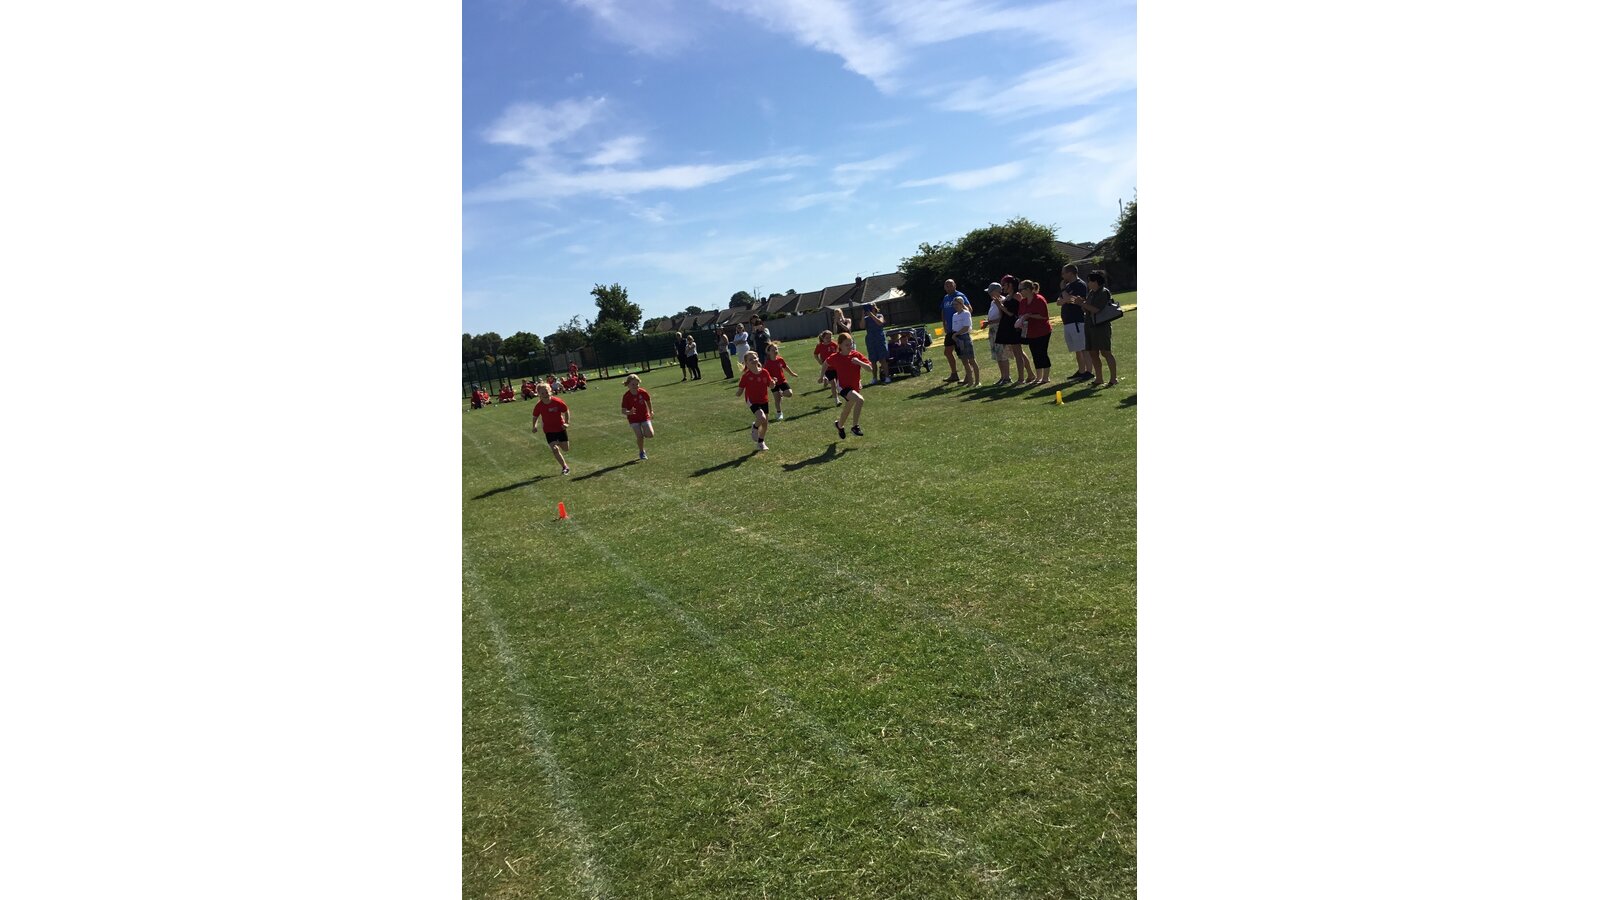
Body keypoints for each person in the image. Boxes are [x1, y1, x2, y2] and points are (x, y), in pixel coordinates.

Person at [825, 333, 874, 438]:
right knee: (860, 400)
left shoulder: (856, 355)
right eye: (846, 344)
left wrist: (859, 362)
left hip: (854, 387)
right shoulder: (836, 357)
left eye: (851, 344)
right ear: (840, 345)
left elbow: (870, 369)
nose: (849, 346)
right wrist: (821, 376)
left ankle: (839, 425)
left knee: (847, 409)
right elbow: (826, 363)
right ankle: (855, 427)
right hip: (843, 387)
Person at [1080, 270, 1120, 387]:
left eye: (1089, 281)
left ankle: (1113, 379)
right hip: (1090, 325)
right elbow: (1087, 309)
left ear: (1096, 282)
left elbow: (1097, 309)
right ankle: (1099, 378)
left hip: (1101, 326)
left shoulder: (1103, 292)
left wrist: (1083, 304)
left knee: (1106, 352)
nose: (1088, 283)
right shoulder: (1091, 293)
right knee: (1093, 352)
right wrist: (1081, 303)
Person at [995, 275, 1035, 384]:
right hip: (1008, 326)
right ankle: (1030, 374)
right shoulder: (1007, 296)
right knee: (1019, 352)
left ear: (1010, 285)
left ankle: (1021, 378)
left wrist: (1001, 306)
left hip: (1014, 327)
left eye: (1004, 284)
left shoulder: (1017, 295)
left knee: (1018, 353)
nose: (1003, 287)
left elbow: (1013, 314)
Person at [1058, 264, 1093, 382]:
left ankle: (1089, 371)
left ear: (1070, 273)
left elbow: (1070, 299)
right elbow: (1059, 301)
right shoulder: (1068, 286)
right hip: (1068, 321)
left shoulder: (1079, 284)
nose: (1062, 276)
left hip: (1077, 320)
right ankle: (1081, 371)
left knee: (1083, 348)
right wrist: (1065, 297)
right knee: (1077, 349)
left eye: (1064, 273)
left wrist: (1063, 291)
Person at [1015, 279, 1054, 384]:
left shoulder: (1039, 299)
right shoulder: (1023, 302)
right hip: (1030, 332)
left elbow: (1044, 316)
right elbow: (1020, 314)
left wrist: (1030, 316)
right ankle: (1038, 377)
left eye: (1021, 289)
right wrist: (1022, 319)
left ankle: (1045, 377)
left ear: (1028, 289)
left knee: (1042, 353)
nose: (1019, 292)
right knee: (1035, 354)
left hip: (1043, 331)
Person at [529, 382, 572, 475]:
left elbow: (566, 411)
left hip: (560, 428)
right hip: (549, 430)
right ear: (539, 394)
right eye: (542, 393)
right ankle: (564, 467)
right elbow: (535, 416)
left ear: (550, 391)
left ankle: (558, 442)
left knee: (565, 448)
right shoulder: (539, 405)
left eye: (546, 392)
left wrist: (566, 423)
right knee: (555, 449)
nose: (545, 394)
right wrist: (534, 426)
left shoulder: (557, 401)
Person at [735, 350, 774, 452]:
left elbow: (771, 385)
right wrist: (738, 393)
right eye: (750, 359)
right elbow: (740, 390)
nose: (753, 360)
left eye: (755, 358)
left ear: (758, 359)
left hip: (764, 399)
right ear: (746, 363)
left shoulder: (764, 372)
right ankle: (755, 427)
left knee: (765, 424)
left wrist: (773, 383)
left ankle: (761, 442)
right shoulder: (746, 376)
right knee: (761, 417)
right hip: (752, 400)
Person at [762, 342, 800, 421]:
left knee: (789, 393)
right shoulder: (768, 363)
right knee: (777, 399)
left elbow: (785, 367)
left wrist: (792, 373)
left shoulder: (780, 359)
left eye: (776, 349)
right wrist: (771, 378)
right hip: (773, 383)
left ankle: (781, 393)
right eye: (773, 350)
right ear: (768, 352)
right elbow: (765, 374)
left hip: (782, 381)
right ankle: (779, 413)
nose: (775, 351)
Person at [620, 374, 654, 460]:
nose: (635, 386)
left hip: (644, 417)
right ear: (628, 385)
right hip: (633, 419)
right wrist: (630, 412)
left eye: (637, 384)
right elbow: (623, 411)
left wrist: (651, 411)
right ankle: (642, 452)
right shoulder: (626, 396)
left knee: (650, 435)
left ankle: (643, 434)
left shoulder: (643, 392)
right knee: (639, 436)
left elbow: (648, 400)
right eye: (633, 384)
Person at [984, 282, 1013, 384]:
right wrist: (988, 322)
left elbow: (1002, 318)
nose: (989, 294)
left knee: (1002, 353)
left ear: (996, 291)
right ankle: (1002, 376)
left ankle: (1007, 377)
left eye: (990, 291)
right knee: (997, 354)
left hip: (999, 329)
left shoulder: (1002, 301)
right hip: (993, 329)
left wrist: (989, 322)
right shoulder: (993, 302)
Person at [950, 296, 982, 386]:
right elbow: (954, 328)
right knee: (964, 361)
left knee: (971, 360)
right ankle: (970, 381)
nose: (955, 306)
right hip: (957, 338)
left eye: (956, 304)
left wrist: (956, 334)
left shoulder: (966, 313)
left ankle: (977, 381)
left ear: (961, 304)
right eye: (954, 304)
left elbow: (966, 327)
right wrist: (955, 335)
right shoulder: (954, 315)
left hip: (964, 337)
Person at [940, 278, 966, 382]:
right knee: (947, 352)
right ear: (944, 287)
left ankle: (968, 375)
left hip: (959, 330)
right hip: (950, 330)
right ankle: (954, 374)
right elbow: (943, 311)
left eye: (951, 285)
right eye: (947, 285)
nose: (949, 287)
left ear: (955, 285)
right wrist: (944, 324)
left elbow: (969, 309)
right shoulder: (945, 298)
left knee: (963, 353)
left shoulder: (960, 296)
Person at [861, 302, 890, 384]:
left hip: (879, 339)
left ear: (875, 308)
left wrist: (871, 314)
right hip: (870, 340)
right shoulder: (866, 319)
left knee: (882, 359)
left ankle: (887, 377)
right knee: (873, 360)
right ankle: (874, 378)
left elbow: (880, 323)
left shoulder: (880, 316)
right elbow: (862, 326)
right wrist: (863, 315)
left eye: (871, 307)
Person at [812, 329, 841, 405]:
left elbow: (839, 353)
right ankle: (837, 400)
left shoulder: (834, 344)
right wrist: (819, 361)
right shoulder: (819, 346)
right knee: (833, 383)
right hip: (827, 368)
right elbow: (815, 354)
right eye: (827, 338)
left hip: (836, 367)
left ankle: (826, 380)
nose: (829, 339)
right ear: (823, 338)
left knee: (839, 382)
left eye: (830, 337)